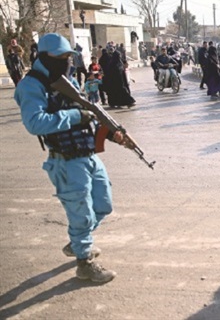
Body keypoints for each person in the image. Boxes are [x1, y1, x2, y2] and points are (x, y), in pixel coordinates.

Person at [14, 33, 135, 283]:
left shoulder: (66, 79)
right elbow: (35, 123)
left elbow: (89, 114)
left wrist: (111, 133)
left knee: (103, 205)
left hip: (88, 153)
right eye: (61, 57)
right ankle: (85, 262)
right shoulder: (31, 85)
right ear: (45, 57)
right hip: (66, 160)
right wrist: (75, 116)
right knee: (81, 212)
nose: (67, 62)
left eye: (69, 57)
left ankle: (78, 242)